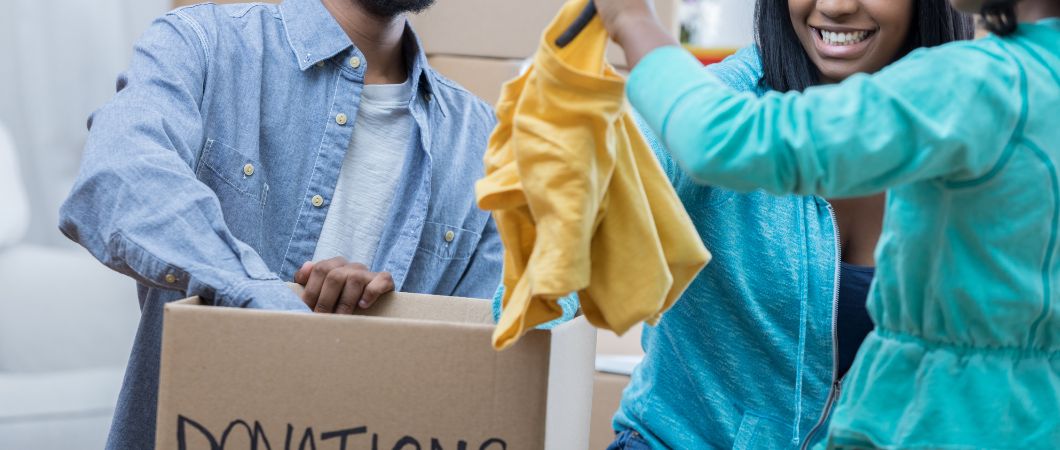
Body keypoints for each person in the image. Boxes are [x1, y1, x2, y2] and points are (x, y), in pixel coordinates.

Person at [598, 0, 1060, 447]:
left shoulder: (970, 86)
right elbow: (609, 207)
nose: (836, 5)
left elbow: (719, 139)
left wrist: (633, 19)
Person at [58, 0, 503, 448]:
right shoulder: (203, 43)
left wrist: (373, 328)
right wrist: (265, 301)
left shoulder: (483, 141)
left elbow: (484, 368)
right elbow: (118, 177)